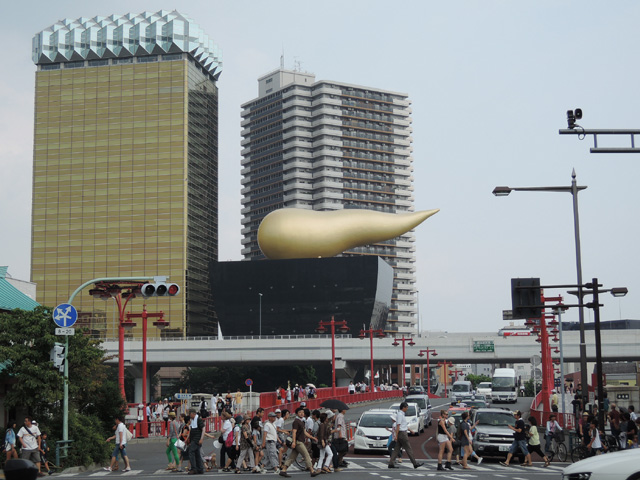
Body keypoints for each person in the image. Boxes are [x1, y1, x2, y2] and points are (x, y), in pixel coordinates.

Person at [278, 407, 319, 478]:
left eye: (303, 412)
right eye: (300, 412)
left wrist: (312, 438)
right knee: (306, 455)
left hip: (298, 441)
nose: (302, 413)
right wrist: (294, 442)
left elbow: (304, 432)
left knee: (292, 457)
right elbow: (294, 432)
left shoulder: (301, 421)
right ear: (297, 413)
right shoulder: (296, 421)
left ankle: (283, 470)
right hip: (298, 442)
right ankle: (312, 471)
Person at [388, 402, 423, 469]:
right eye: (406, 407)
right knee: (408, 449)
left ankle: (391, 463)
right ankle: (414, 463)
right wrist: (396, 435)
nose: (407, 409)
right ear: (403, 407)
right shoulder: (400, 415)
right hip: (402, 434)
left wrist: (410, 430)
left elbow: (402, 425)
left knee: (396, 449)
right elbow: (398, 425)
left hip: (401, 433)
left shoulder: (400, 414)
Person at [186, 409, 205, 475]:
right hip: (193, 438)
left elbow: (203, 429)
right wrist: (188, 438)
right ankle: (200, 468)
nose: (189, 415)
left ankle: (194, 468)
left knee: (191, 451)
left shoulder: (198, 419)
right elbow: (191, 430)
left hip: (197, 439)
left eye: (190, 414)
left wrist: (201, 439)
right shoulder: (192, 420)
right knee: (197, 453)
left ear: (193, 413)